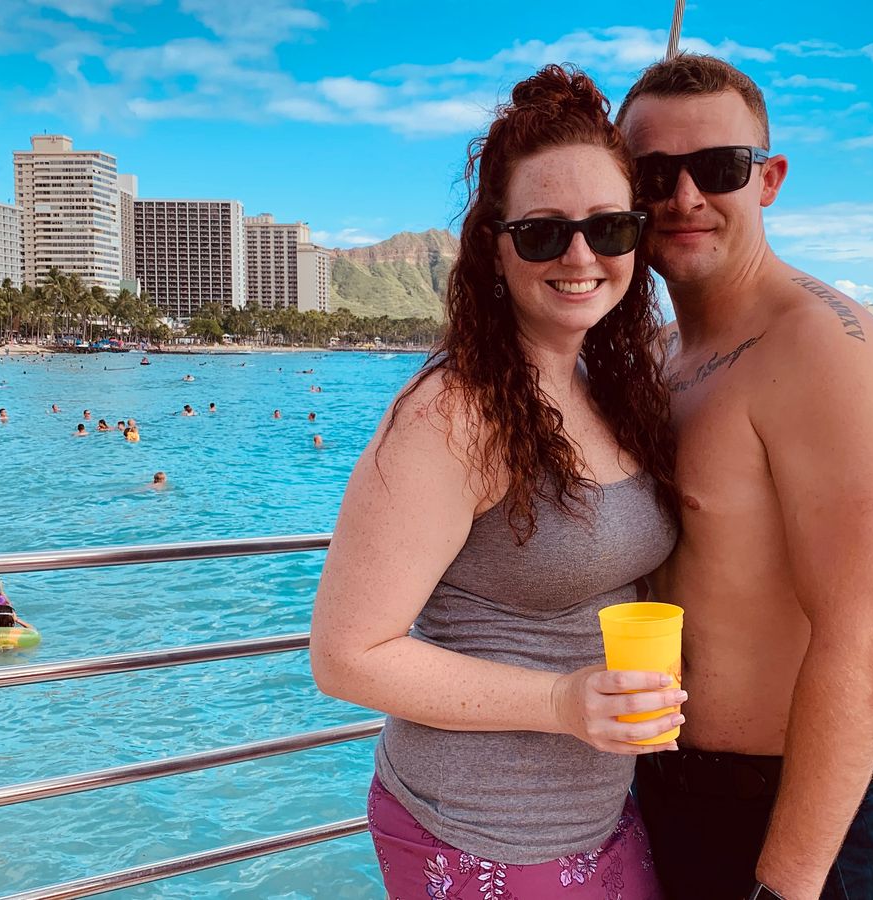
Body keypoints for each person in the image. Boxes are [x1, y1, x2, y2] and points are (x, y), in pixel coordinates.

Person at [310, 65, 680, 899]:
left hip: (604, 816)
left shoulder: (604, 386)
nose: (581, 255)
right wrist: (561, 701)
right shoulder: (453, 414)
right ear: (495, 247)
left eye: (609, 228)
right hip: (478, 830)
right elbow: (346, 656)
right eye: (544, 233)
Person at [616, 54, 873, 900]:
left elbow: (864, 634)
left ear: (768, 179)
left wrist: (787, 884)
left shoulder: (825, 350)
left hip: (793, 822)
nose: (684, 197)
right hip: (664, 795)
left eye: (718, 167)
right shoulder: (660, 357)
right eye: (653, 173)